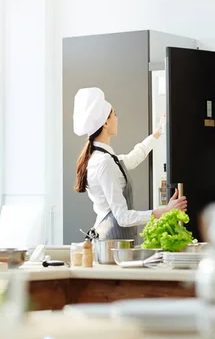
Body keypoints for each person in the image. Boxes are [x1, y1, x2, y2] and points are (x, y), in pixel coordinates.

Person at [73, 87, 187, 240]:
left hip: (114, 240)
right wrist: (164, 211)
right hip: (110, 242)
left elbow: (134, 157)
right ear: (105, 123)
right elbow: (123, 217)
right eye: (114, 114)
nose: (117, 118)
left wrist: (158, 131)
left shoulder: (106, 157)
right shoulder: (104, 162)